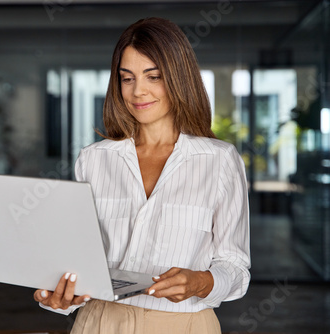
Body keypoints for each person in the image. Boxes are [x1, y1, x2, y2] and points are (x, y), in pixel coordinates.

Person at [34, 17, 250, 333]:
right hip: (99, 321)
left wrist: (200, 281)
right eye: (127, 78)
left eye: (154, 76)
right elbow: (76, 260)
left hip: (184, 325)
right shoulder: (94, 160)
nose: (138, 91)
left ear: (178, 78)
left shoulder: (219, 161)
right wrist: (60, 294)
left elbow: (236, 269)